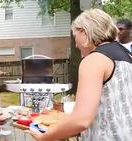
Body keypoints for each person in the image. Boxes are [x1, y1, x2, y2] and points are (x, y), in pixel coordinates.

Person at [28, 9, 132, 141]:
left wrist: (45, 137)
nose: (76, 44)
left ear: (85, 32)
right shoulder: (128, 55)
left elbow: (81, 120)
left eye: (75, 35)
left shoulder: (94, 59)